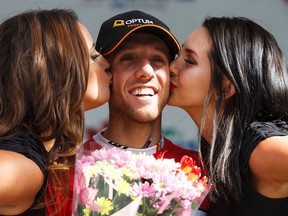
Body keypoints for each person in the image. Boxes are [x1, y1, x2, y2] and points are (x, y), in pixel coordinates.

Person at [83, 10, 210, 214]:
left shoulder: (204, 173)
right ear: (107, 72)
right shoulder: (68, 170)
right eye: (128, 58)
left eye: (158, 59)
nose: (146, 71)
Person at [168, 16, 288, 216]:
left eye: (189, 61)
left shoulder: (261, 149)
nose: (171, 67)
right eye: (179, 54)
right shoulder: (221, 145)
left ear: (226, 87)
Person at [0, 9, 111, 215]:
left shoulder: (41, 154)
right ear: (53, 69)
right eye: (92, 55)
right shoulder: (21, 166)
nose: (106, 62)